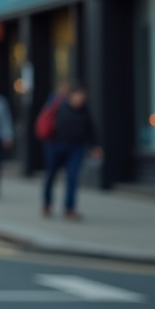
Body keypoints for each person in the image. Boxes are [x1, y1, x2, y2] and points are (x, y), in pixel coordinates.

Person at [43, 84, 101, 220]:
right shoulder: (58, 106)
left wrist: (96, 146)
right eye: (77, 96)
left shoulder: (84, 111)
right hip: (55, 146)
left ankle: (70, 209)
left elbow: (91, 129)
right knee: (51, 176)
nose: (80, 99)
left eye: (82, 97)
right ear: (70, 96)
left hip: (76, 147)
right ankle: (47, 204)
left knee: (72, 178)